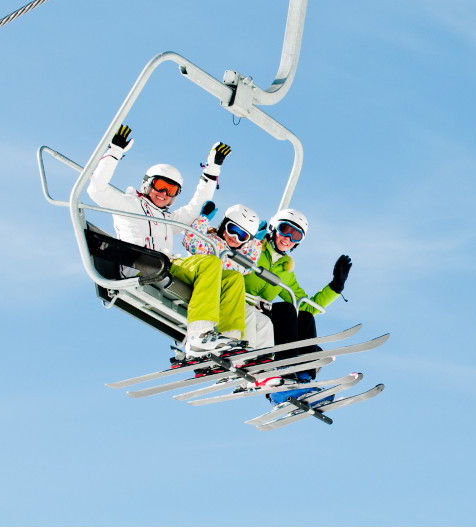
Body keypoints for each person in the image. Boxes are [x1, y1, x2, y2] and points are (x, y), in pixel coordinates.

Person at [86, 124, 244, 358]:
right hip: (140, 263)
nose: (164, 194)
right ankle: (199, 336)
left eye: (172, 191)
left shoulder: (168, 218)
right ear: (147, 184)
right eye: (160, 186)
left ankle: (228, 339)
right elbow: (96, 190)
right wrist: (114, 152)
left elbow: (194, 209)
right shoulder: (128, 204)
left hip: (164, 264)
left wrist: (211, 172)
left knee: (233, 277)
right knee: (209, 264)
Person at [245, 208, 352, 402]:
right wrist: (253, 239)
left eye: (296, 235)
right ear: (273, 227)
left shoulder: (285, 270)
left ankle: (304, 378)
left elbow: (305, 305)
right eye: (284, 229)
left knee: (304, 317)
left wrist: (335, 287)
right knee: (286, 310)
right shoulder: (253, 247)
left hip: (261, 316)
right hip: (240, 307)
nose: (287, 238)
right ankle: (284, 372)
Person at [182, 202, 273, 352]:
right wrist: (202, 219)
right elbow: (191, 242)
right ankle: (198, 335)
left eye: (242, 236)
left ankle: (235, 343)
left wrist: (255, 243)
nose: (235, 238)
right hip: (201, 278)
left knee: (254, 314)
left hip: (221, 290)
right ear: (224, 225)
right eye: (233, 230)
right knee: (214, 264)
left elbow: (248, 266)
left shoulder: (237, 257)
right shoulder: (209, 241)